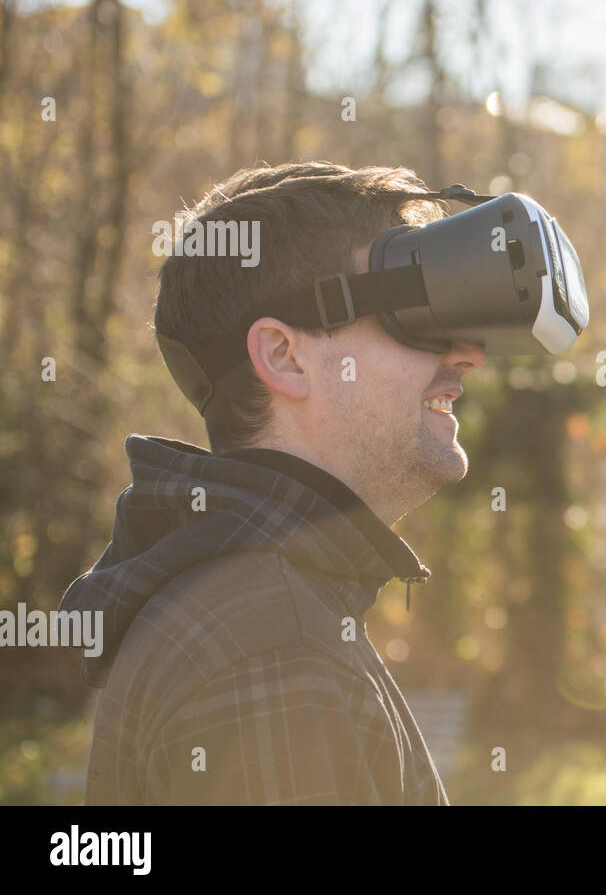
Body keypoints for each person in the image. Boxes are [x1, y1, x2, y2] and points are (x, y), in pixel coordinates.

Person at [59, 162, 485, 804]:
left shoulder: (256, 602)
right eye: (411, 309)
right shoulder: (275, 647)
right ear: (285, 357)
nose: (465, 353)